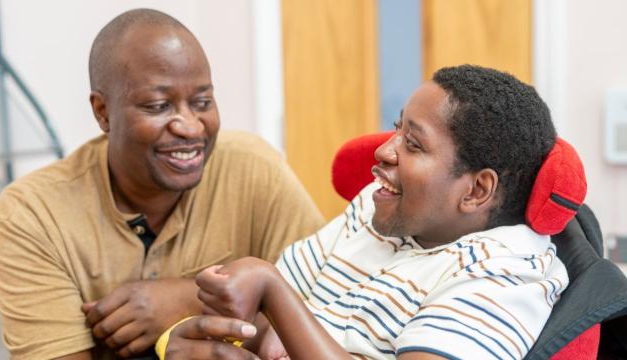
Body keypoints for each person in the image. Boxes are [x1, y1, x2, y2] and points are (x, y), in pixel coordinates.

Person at [165, 65, 569, 360]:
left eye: (413, 144)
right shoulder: (375, 210)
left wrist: (270, 287)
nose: (383, 151)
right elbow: (277, 320)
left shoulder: (505, 273)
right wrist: (226, 341)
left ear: (476, 190)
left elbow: (280, 299)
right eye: (396, 129)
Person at [0, 8, 324, 360]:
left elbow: (332, 304)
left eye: (203, 102)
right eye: (159, 105)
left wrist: (185, 299)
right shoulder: (33, 214)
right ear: (103, 112)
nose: (191, 127)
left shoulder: (255, 170)